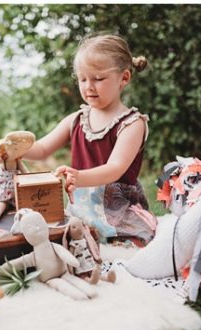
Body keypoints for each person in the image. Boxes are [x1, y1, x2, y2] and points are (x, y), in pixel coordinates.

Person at [23, 34, 157, 244]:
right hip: (81, 210)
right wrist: (16, 149)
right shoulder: (76, 119)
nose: (89, 86)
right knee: (68, 242)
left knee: (127, 248)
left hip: (118, 212)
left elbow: (115, 168)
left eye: (98, 79)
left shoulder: (132, 123)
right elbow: (41, 149)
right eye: (82, 79)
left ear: (124, 78)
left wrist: (78, 177)